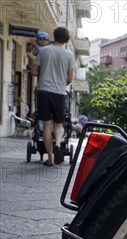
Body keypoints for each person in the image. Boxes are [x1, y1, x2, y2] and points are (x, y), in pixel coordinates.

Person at [31, 26, 75, 166]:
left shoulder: (43, 51)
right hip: (59, 92)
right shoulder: (69, 55)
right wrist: (62, 80)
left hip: (43, 91)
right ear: (66, 39)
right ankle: (57, 145)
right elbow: (70, 78)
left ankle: (50, 159)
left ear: (53, 37)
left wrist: (44, 72)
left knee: (46, 124)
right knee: (59, 124)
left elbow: (33, 72)